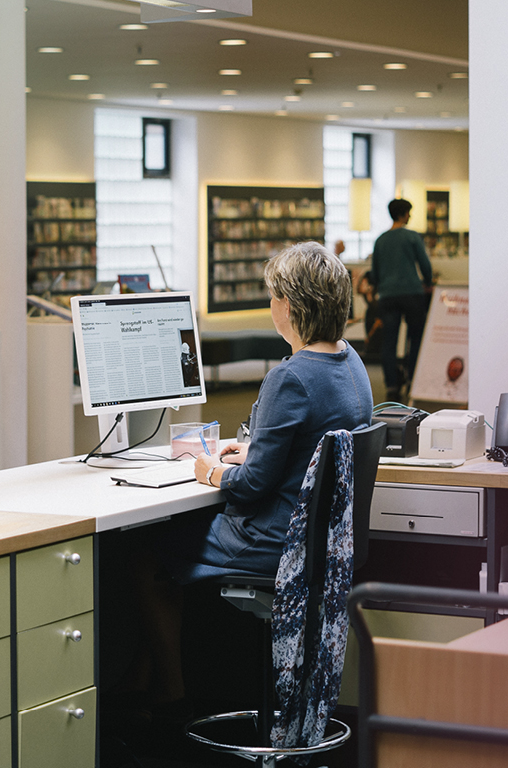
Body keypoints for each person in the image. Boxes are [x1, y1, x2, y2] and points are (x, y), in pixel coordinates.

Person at [127, 241, 373, 712]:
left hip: (273, 541)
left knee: (142, 552)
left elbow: (253, 485)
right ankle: (144, 677)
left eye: (273, 296)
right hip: (321, 542)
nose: (271, 306)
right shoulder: (351, 362)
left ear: (291, 304)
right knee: (160, 543)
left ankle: (171, 692)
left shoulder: (291, 376)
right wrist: (258, 450)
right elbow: (314, 451)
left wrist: (213, 470)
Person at [368, 198, 432, 401]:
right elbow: (424, 264)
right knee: (415, 337)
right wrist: (428, 281)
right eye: (409, 213)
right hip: (412, 293)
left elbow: (375, 273)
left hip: (387, 296)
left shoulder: (380, 240)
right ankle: (413, 379)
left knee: (389, 341)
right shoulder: (412, 237)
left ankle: (391, 385)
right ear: (404, 214)